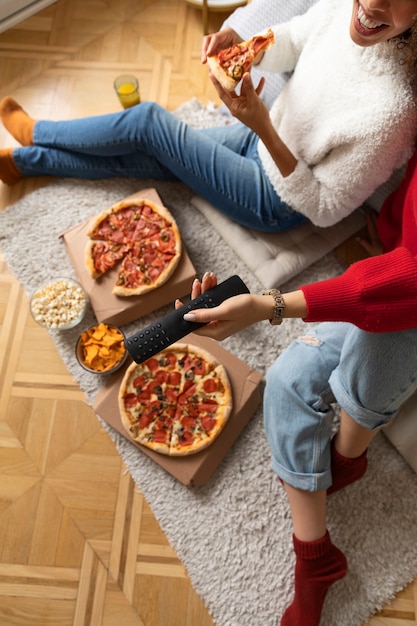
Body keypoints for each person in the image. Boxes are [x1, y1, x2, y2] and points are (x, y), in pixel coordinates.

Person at [175, 141, 417, 625]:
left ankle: (348, 458)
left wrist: (272, 306)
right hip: (401, 268)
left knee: (387, 334)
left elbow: (408, 284)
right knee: (286, 379)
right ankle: (317, 557)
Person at [1, 0, 417, 233]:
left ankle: (39, 132)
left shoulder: (393, 111)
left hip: (276, 197)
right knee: (156, 153)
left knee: (148, 122)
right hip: (266, 137)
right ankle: (29, 161)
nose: (374, 3)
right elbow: (291, 39)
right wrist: (242, 46)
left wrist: (263, 129)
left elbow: (326, 209)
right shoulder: (347, 5)